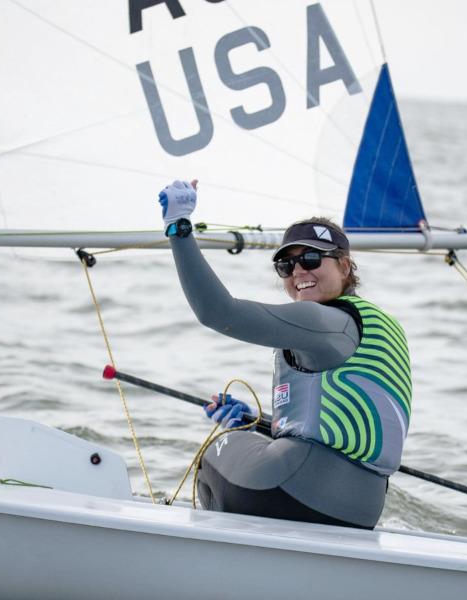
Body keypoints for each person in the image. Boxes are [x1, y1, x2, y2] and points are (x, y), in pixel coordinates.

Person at [158, 180, 411, 529]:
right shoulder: (370, 325)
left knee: (219, 451)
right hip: (361, 510)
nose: (298, 273)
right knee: (251, 437)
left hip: (298, 489)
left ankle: (224, 562)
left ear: (345, 267)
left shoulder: (324, 320)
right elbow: (327, 430)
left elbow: (218, 313)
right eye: (286, 266)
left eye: (310, 258)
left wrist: (179, 228)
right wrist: (260, 423)